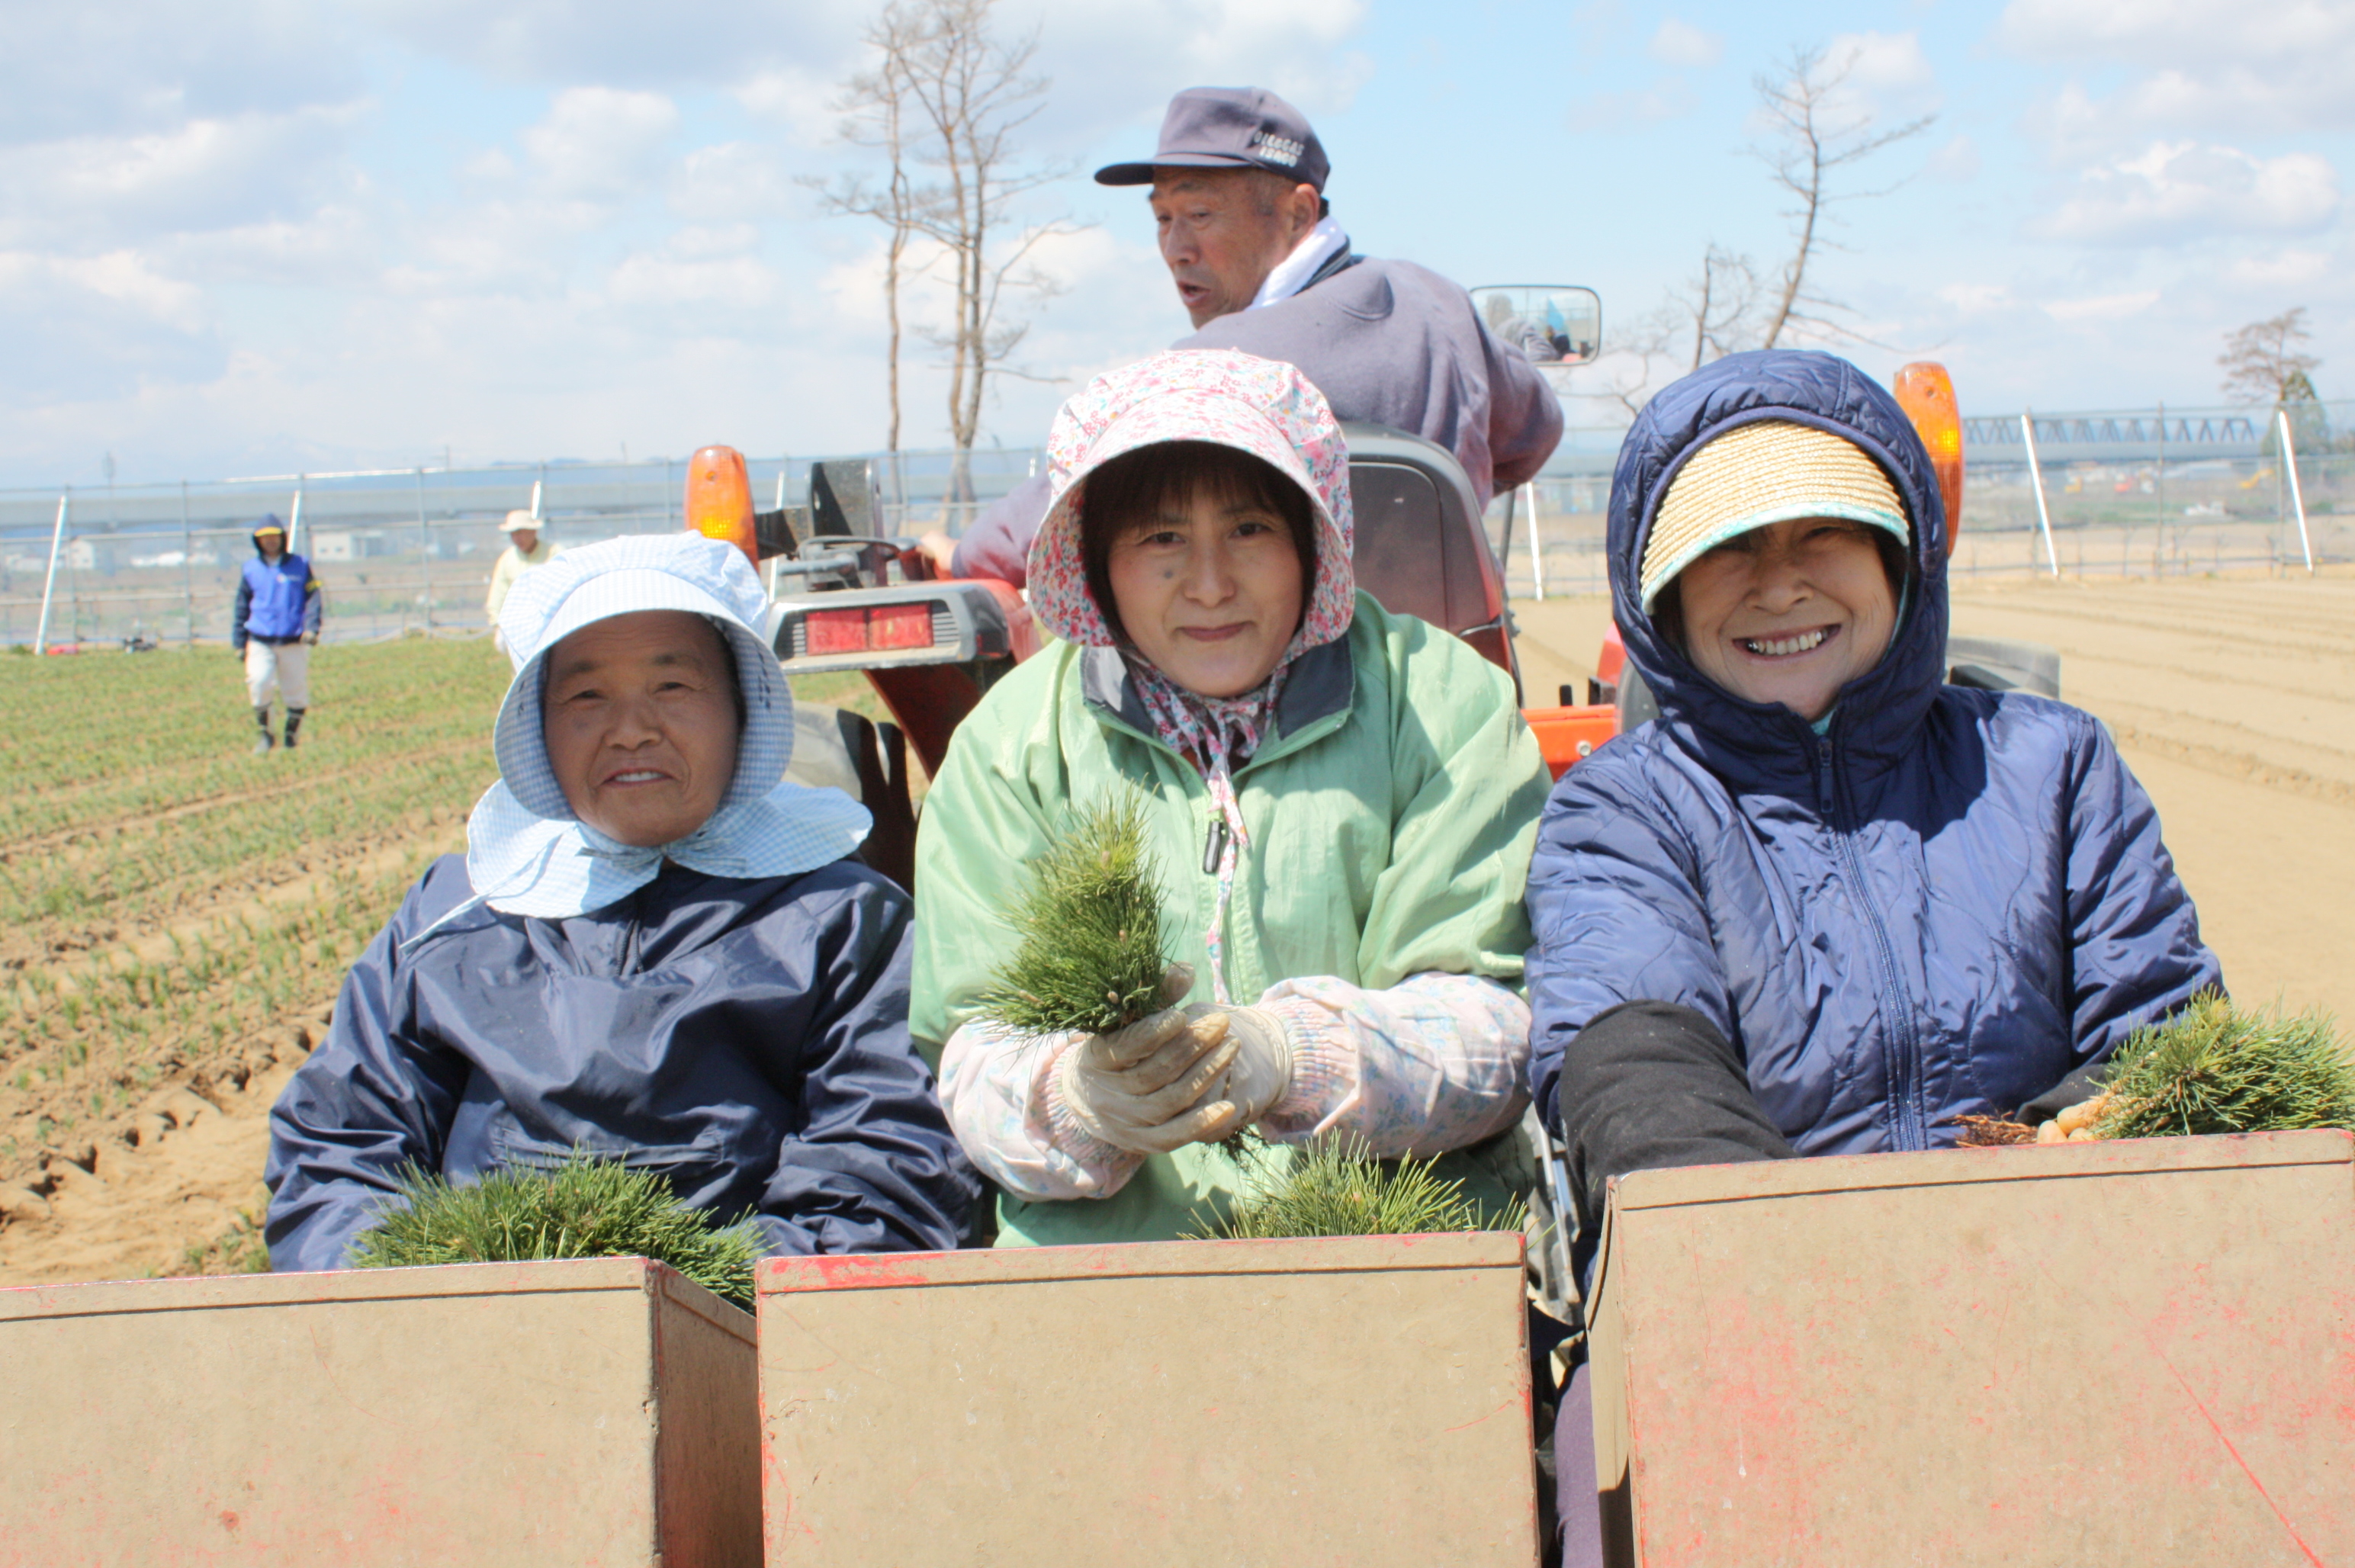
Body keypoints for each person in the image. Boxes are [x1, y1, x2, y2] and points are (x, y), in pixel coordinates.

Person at [1521, 349, 2222, 1564]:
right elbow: (1635, 1066)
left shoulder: (2051, 767)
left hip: (2057, 1281)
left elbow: (2163, 1035)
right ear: (1663, 595)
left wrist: (1984, 1241)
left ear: (1902, 555)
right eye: (1730, 547)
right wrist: (1824, 1290)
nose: (1780, 586)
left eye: (1823, 536)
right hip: (1739, 1303)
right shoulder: (1624, 810)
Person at [911, 349, 1552, 1245]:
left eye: (1250, 529)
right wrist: (1077, 1098)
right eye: (1160, 539)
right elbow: (971, 1052)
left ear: (1311, 541)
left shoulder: (1438, 701)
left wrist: (1294, 1057)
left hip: (1395, 1265)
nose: (1209, 583)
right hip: (1108, 1283)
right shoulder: (1011, 745)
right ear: (1095, 561)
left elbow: (1499, 1028)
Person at [266, 532, 976, 1270]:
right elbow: (338, 1147)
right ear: (536, 730)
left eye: (672, 687)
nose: (631, 730)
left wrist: (685, 1318)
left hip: (743, 1350)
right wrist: (428, 1312)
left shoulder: (843, 923)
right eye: (586, 694)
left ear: (741, 710)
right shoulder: (456, 917)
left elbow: (884, 1179)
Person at [936, 86, 1562, 585]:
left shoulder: (1216, 367)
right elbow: (1538, 432)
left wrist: (957, 554)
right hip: (1465, 670)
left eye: (1201, 214)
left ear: (1298, 211)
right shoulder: (1441, 301)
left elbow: (1043, 518)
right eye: (1162, 219)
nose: (1176, 250)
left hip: (1294, 710)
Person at [233, 515, 322, 754]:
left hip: (293, 641)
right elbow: (242, 606)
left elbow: (313, 598)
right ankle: (266, 736)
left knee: (295, 692)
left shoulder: (300, 565)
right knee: (259, 683)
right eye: (264, 538)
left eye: (274, 537)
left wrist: (312, 627)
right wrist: (239, 642)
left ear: (282, 538)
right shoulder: (251, 570)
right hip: (260, 640)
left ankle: (291, 740)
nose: (270, 542)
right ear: (257, 541)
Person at [484, 509, 556, 651]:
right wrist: (498, 626)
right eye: (513, 534)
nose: (517, 538)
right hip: (519, 629)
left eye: (520, 533)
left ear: (533, 532)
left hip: (550, 626)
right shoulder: (507, 559)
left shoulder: (554, 554)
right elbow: (499, 593)